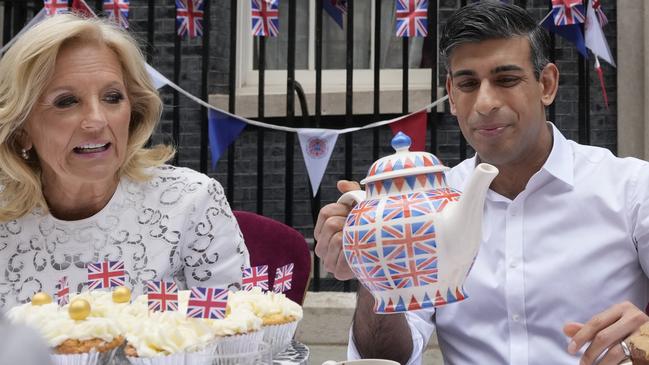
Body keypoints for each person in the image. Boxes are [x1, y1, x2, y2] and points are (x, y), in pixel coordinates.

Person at [314, 3, 649, 365]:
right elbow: (385, 357)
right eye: (469, 83)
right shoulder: (424, 207)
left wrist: (644, 339)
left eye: (506, 80)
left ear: (547, 85)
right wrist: (373, 267)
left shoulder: (630, 188)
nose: (486, 102)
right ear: (452, 95)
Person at [0, 14, 249, 310]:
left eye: (112, 97)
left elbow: (238, 340)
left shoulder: (191, 202)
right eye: (67, 101)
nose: (96, 120)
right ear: (21, 130)